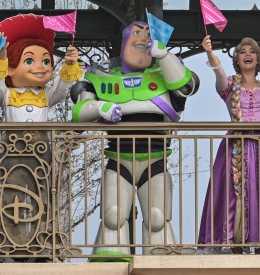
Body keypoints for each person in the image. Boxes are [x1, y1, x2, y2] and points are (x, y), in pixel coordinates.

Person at [71, 20, 199, 260]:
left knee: (158, 218)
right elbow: (79, 112)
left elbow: (186, 86)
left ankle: (162, 260)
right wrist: (100, 107)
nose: (143, 38)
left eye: (148, 34)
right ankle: (110, 259)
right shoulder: (100, 78)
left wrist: (164, 55)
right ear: (124, 41)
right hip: (118, 159)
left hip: (156, 160)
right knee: (113, 215)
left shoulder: (167, 75)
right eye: (137, 32)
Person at [197, 30, 260, 252]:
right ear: (236, 59)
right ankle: (235, 242)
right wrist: (210, 53)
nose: (247, 54)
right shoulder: (229, 86)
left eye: (252, 51)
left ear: (258, 58)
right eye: (242, 51)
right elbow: (218, 74)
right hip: (235, 148)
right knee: (234, 195)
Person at [0, 13, 81, 260]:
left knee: (44, 196)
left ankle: (41, 244)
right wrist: (2, 56)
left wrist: (69, 64)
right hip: (12, 149)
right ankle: (14, 244)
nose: (40, 67)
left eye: (46, 61)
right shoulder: (8, 93)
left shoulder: (45, 95)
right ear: (13, 67)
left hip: (40, 148)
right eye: (30, 60)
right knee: (11, 194)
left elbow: (63, 88)